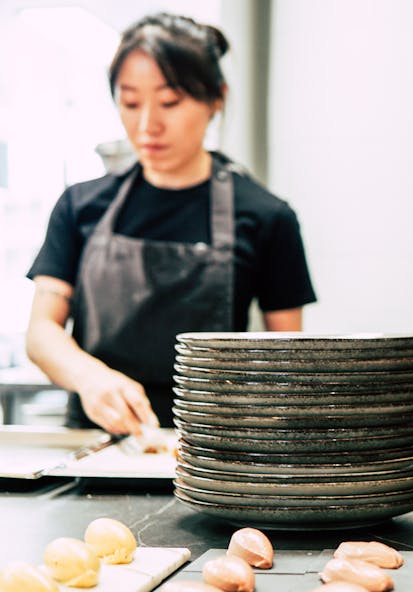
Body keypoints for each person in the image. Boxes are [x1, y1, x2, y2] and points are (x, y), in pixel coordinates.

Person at [24, 12, 316, 437]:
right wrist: (91, 379)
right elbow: (41, 331)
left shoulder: (268, 216)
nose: (147, 126)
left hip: (212, 453)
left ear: (216, 98)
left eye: (170, 102)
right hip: (97, 446)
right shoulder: (80, 205)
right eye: (130, 102)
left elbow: (291, 361)